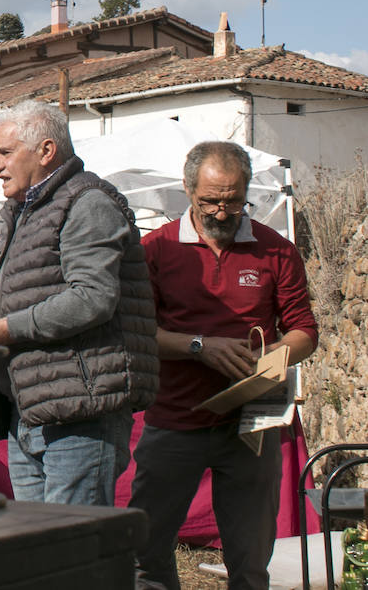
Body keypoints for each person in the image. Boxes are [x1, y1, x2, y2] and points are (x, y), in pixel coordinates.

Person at [129, 141, 318, 590]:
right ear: (187, 189)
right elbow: (136, 333)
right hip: (174, 421)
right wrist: (201, 346)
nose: (220, 211)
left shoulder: (276, 251)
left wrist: (268, 362)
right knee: (146, 552)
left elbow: (304, 331)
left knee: (250, 562)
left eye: (233, 201)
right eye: (210, 200)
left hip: (251, 427)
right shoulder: (154, 250)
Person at [0, 99, 158, 506]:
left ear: (46, 151)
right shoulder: (26, 211)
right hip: (29, 408)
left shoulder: (88, 203)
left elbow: (92, 298)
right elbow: (36, 295)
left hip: (80, 413)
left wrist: (1, 328)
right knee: (38, 543)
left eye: (5, 152)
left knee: (71, 548)